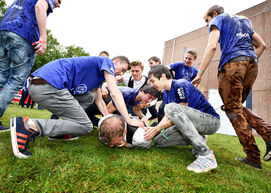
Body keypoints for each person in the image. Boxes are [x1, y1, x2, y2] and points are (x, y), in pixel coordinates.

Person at [192, 5, 271, 170]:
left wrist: (200, 73)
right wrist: (247, 60)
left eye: (207, 21)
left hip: (232, 65)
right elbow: (262, 45)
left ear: (214, 14)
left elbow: (212, 46)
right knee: (235, 106)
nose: (208, 25)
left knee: (232, 109)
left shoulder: (219, 19)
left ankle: (254, 155)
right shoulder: (244, 20)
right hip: (252, 64)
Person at [10, 56, 144, 158]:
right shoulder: (106, 61)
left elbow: (99, 100)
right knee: (86, 126)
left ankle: (59, 132)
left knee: (88, 97)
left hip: (45, 86)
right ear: (115, 62)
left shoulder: (97, 77)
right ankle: (30, 125)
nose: (120, 74)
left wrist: (107, 118)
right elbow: (115, 93)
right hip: (47, 86)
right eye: (122, 69)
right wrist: (128, 119)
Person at [144, 65, 220, 173]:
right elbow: (168, 116)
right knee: (159, 141)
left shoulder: (180, 84)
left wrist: (157, 128)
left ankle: (206, 154)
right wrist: (156, 128)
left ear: (163, 76)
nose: (151, 85)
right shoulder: (166, 93)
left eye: (153, 81)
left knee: (170, 107)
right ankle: (199, 137)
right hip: (193, 123)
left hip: (211, 121)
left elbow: (177, 111)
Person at [0, 0, 62, 131]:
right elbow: (40, 6)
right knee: (16, 80)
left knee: (2, 76)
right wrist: (43, 39)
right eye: (59, 0)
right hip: (23, 34)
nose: (59, 4)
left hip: (5, 30)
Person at [86, 85, 160, 127]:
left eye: (152, 99)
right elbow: (107, 112)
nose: (149, 101)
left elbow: (136, 110)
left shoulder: (139, 97)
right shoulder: (127, 94)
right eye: (149, 97)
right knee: (119, 121)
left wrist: (143, 117)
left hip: (106, 104)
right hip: (95, 103)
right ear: (142, 91)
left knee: (123, 119)